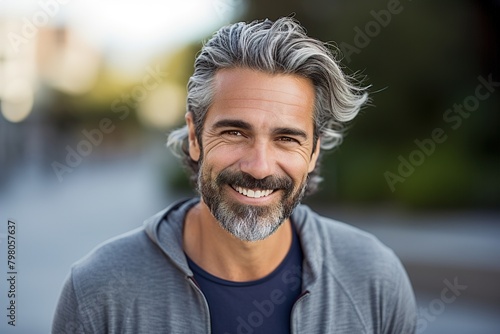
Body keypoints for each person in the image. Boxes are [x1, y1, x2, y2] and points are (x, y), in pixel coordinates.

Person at [52, 17, 417, 334]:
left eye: (286, 138)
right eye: (234, 133)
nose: (258, 167)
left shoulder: (374, 278)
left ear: (314, 152)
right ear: (195, 138)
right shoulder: (97, 290)